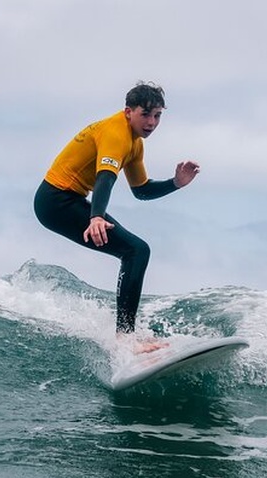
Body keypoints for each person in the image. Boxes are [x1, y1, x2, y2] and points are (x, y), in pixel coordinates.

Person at [34, 81, 199, 350]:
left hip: (67, 199)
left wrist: (176, 183)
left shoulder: (134, 144)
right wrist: (96, 217)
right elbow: (105, 179)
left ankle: (126, 335)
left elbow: (142, 191)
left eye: (157, 115)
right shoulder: (115, 133)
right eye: (145, 114)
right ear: (128, 112)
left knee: (135, 251)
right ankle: (125, 338)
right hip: (55, 201)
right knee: (136, 250)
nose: (152, 122)